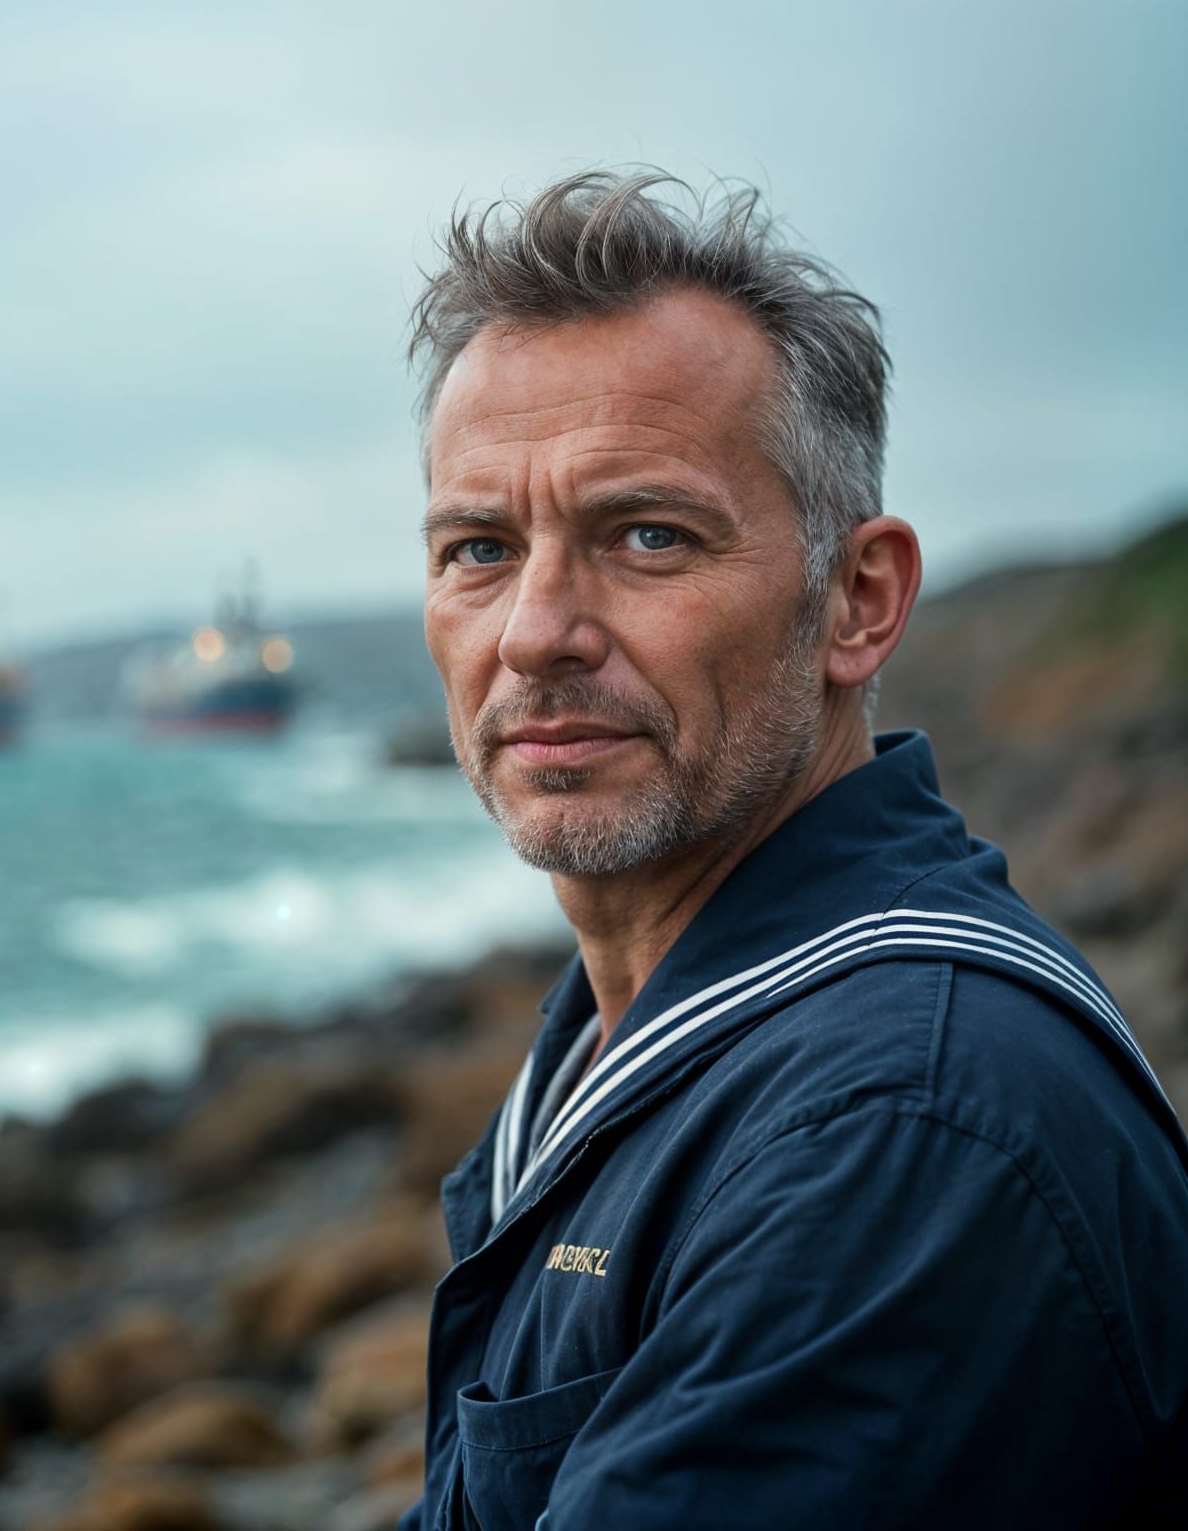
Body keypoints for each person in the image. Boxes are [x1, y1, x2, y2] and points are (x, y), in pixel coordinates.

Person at [397, 169, 1188, 1530]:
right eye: (479, 547)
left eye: (646, 535)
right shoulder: (628, 1034)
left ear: (857, 603)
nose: (534, 632)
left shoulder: (902, 1129)